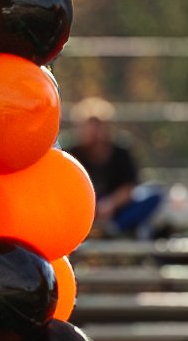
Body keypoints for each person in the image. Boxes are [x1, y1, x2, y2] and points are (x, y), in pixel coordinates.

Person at [64, 96, 166, 239]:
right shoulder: (70, 152)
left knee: (155, 194)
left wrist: (111, 203)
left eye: (98, 126)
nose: (94, 133)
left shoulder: (121, 151)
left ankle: (112, 229)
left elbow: (130, 186)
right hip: (84, 208)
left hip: (117, 209)